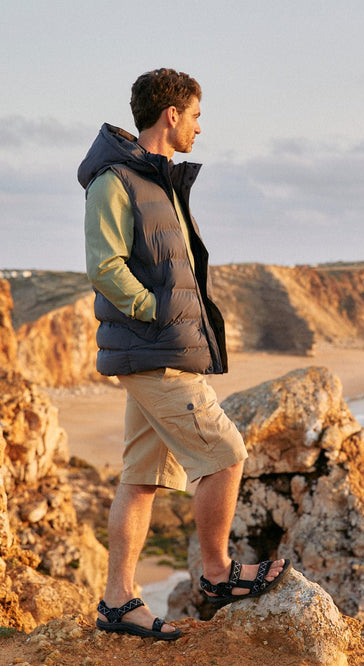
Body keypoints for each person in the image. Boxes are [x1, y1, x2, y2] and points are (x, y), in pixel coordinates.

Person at [78, 68, 291, 640]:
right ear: (171, 114)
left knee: (142, 476)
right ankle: (218, 574)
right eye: (196, 114)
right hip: (154, 350)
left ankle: (118, 603)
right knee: (225, 452)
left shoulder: (161, 181)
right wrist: (155, 311)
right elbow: (104, 265)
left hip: (159, 349)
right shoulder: (114, 180)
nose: (201, 125)